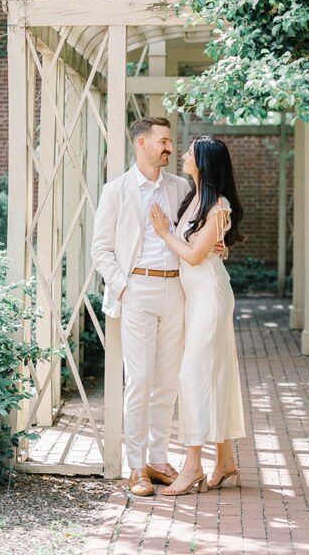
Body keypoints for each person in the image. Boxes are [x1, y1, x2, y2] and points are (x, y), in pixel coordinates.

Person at [90, 116, 225, 496]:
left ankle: (158, 459)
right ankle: (135, 468)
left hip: (176, 292)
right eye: (163, 141)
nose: (169, 147)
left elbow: (197, 233)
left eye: (170, 142)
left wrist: (217, 246)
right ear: (142, 144)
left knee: (168, 382)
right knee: (140, 380)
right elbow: (100, 250)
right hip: (137, 291)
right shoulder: (115, 191)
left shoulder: (181, 187)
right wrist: (124, 287)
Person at [149, 135, 246, 497]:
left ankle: (192, 466)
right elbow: (201, 247)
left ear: (203, 162)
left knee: (192, 376)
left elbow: (191, 256)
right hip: (197, 296)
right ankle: (225, 462)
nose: (184, 154)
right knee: (215, 373)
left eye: (190, 152)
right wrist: (209, 245)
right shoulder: (195, 199)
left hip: (211, 295)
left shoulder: (218, 205)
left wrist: (163, 234)